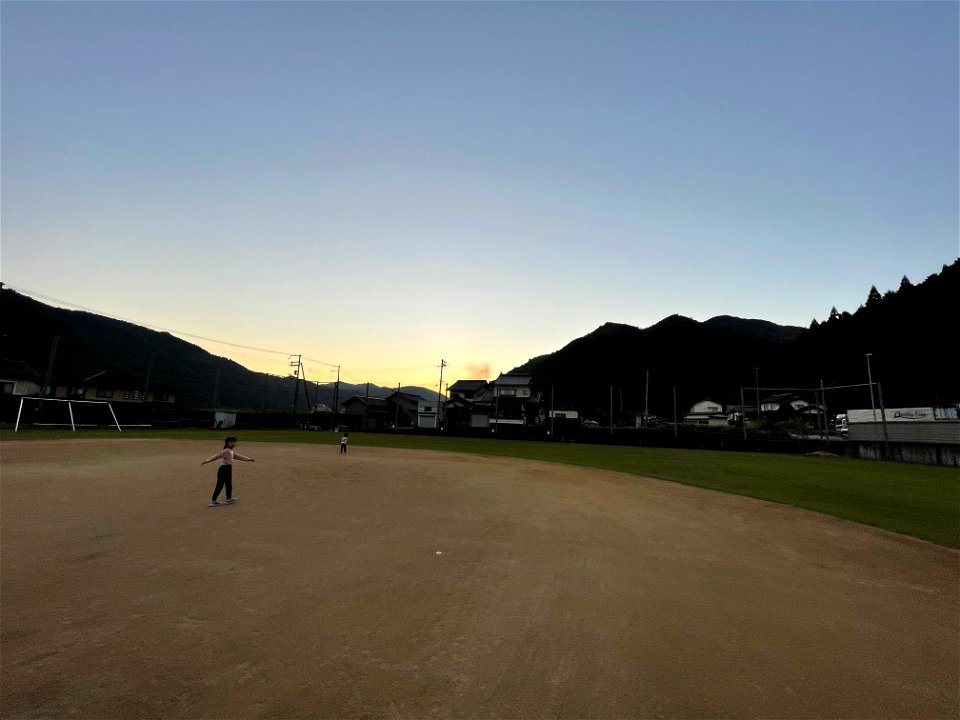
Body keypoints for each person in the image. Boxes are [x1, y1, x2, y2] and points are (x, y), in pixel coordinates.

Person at [202, 436, 255, 507]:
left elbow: (238, 456)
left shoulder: (231, 451)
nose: (233, 443)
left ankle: (229, 498)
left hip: (228, 468)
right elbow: (217, 456)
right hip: (223, 469)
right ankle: (213, 501)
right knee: (220, 485)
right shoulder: (226, 451)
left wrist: (248, 459)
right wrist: (207, 460)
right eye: (231, 442)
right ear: (227, 443)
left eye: (234, 442)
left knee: (228, 484)